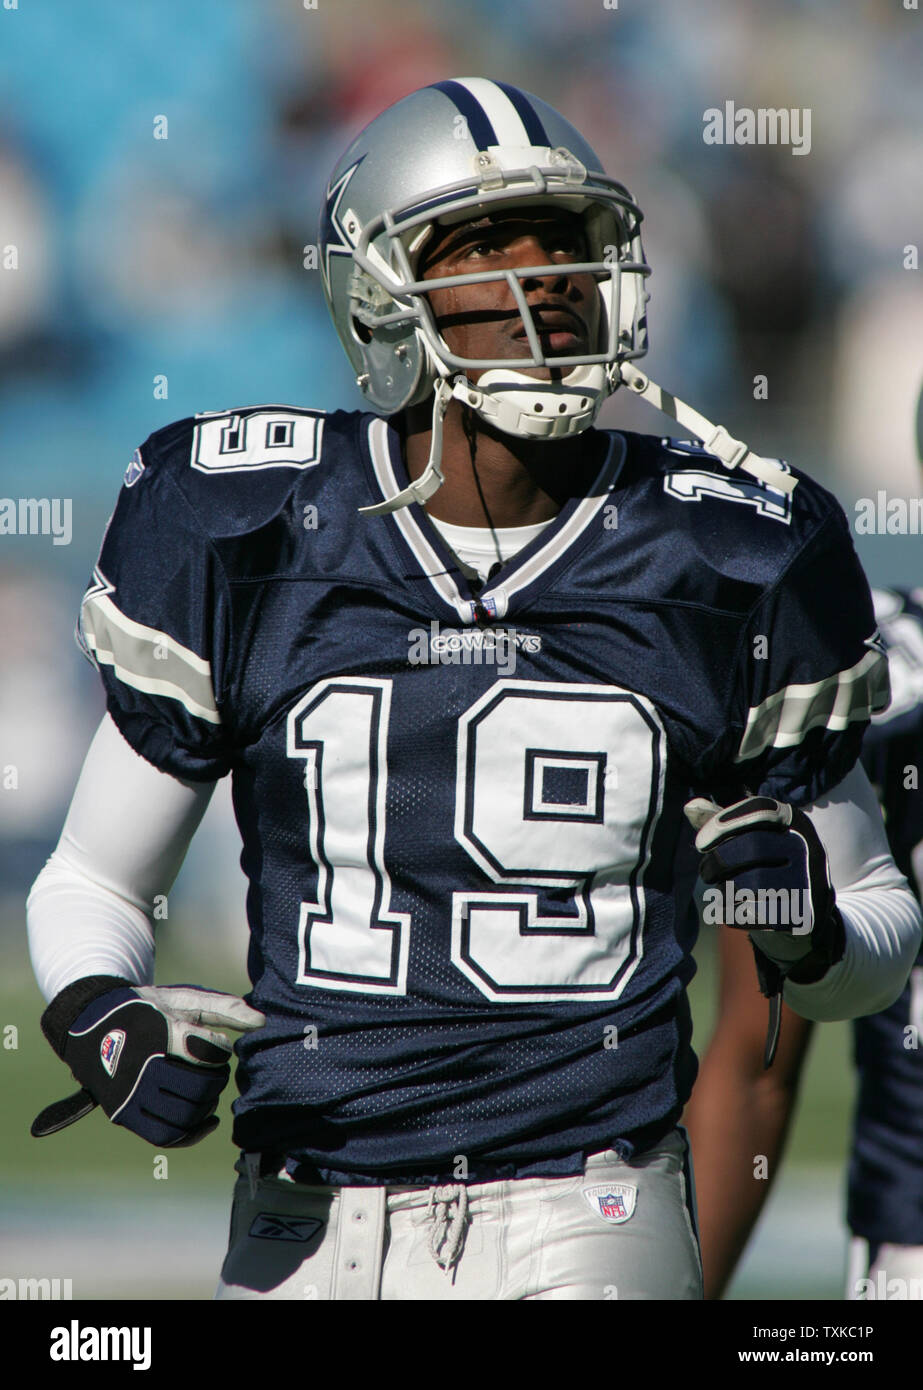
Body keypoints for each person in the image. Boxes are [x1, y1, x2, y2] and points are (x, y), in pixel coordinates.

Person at [26, 77, 922, 1301]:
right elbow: (92, 880)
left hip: (589, 1197)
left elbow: (873, 927)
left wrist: (809, 930)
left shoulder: (733, 549)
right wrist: (96, 1012)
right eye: (484, 245)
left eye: (562, 242)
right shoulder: (244, 526)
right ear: (378, 293)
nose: (540, 278)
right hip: (304, 1203)